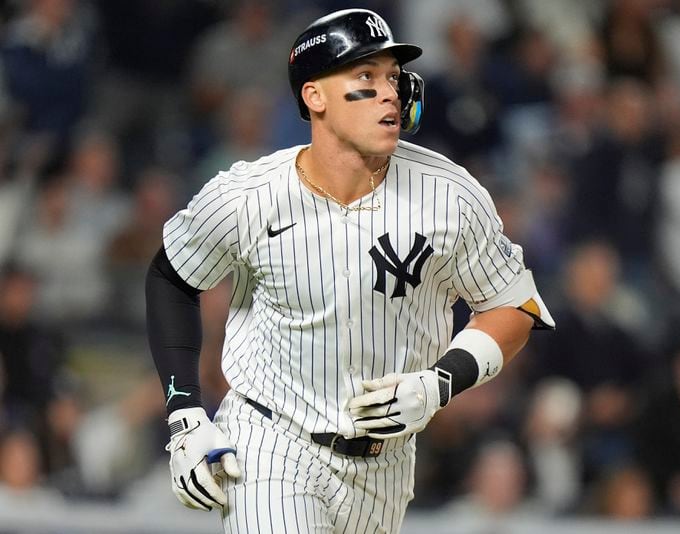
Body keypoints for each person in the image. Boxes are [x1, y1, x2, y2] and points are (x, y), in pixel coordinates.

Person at [145, 9, 554, 534]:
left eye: (392, 77)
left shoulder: (449, 196)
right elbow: (172, 276)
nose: (388, 92)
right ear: (315, 97)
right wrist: (185, 415)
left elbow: (513, 306)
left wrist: (438, 384)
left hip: (385, 466)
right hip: (271, 443)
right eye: (365, 76)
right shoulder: (248, 196)